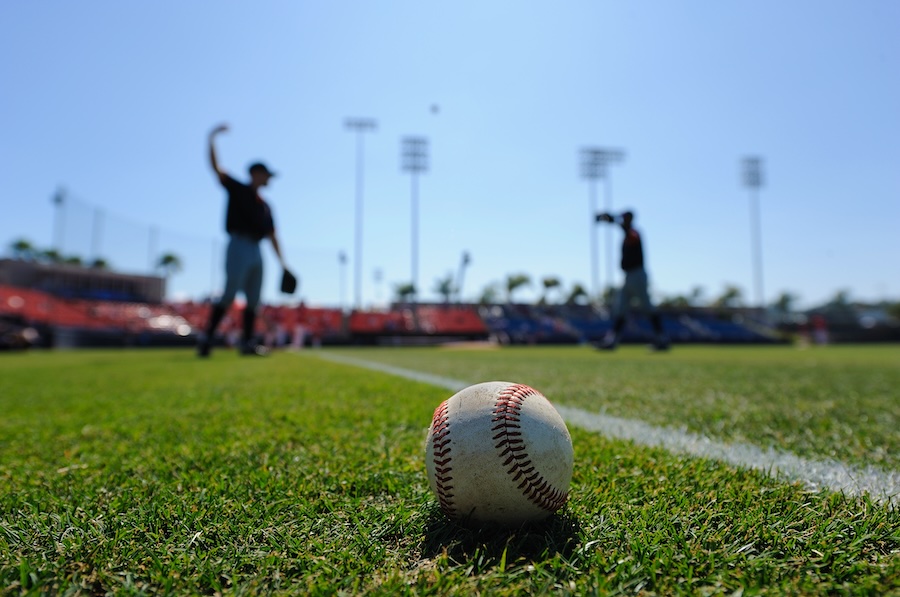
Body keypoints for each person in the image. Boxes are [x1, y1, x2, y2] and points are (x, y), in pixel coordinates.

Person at [197, 123, 289, 357]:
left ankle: (248, 343)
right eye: (266, 174)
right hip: (238, 244)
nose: (269, 178)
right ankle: (207, 338)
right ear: (256, 174)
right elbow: (216, 168)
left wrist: (283, 264)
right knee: (229, 294)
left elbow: (272, 236)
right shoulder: (238, 190)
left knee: (254, 300)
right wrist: (212, 139)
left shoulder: (266, 206)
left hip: (258, 250)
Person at [595, 210, 669, 351]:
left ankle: (662, 339)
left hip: (637, 275)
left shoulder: (635, 233)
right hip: (627, 276)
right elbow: (623, 228)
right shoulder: (627, 233)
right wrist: (611, 220)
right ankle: (612, 341)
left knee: (647, 308)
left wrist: (612, 219)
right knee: (620, 309)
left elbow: (628, 231)